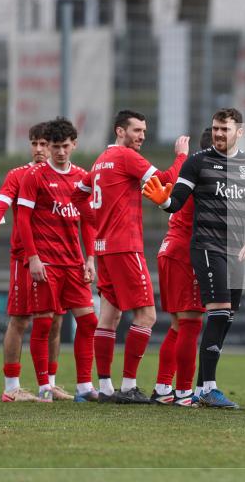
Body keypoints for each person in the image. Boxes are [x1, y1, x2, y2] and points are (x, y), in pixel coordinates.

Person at [143, 108, 245, 409]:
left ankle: (180, 387)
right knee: (201, 318)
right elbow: (177, 201)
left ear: (240, 132)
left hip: (229, 250)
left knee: (216, 319)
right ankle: (198, 389)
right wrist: (165, 202)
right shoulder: (197, 163)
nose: (219, 134)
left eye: (225, 129)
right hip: (200, 248)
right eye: (215, 129)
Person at [71, 110, 188, 404]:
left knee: (109, 317)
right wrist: (182, 157)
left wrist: (98, 221)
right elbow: (163, 180)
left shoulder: (100, 161)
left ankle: (106, 387)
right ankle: (128, 386)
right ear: (119, 131)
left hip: (104, 248)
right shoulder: (125, 157)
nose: (142, 136)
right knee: (146, 315)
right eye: (136, 130)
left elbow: (78, 195)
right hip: (125, 247)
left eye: (144, 131)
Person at [0, 123, 68, 402]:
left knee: (55, 321)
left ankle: (49, 384)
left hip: (57, 260)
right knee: (20, 319)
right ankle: (11, 386)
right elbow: (0, 205)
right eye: (34, 144)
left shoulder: (64, 175)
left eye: (44, 144)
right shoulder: (18, 175)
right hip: (25, 259)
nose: (39, 149)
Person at [15, 118, 98, 402]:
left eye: (65, 146)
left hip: (74, 263)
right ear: (48, 147)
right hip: (46, 263)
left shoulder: (82, 177)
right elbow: (23, 220)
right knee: (43, 324)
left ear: (74, 144)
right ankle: (44, 386)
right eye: (55, 147)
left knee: (89, 322)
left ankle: (84, 386)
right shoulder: (35, 176)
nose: (60, 152)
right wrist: (33, 258)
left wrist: (90, 258)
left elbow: (88, 222)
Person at [151, 128, 213, 407]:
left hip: (169, 249)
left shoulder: (190, 167)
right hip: (185, 252)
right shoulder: (207, 173)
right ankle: (185, 392)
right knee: (190, 323)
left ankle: (163, 387)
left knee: (178, 325)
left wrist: (180, 156)